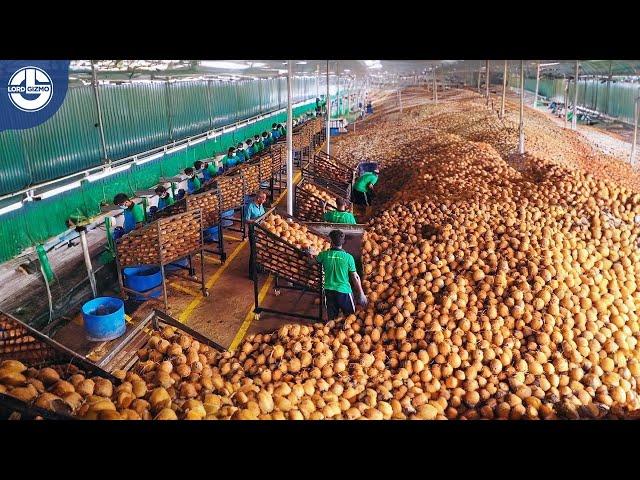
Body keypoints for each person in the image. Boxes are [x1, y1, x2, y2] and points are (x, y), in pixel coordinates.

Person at [314, 229, 367, 321]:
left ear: (331, 241)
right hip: (344, 292)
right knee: (350, 319)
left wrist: (308, 254)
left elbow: (312, 261)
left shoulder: (323, 255)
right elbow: (355, 277)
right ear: (343, 242)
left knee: (332, 320)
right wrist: (361, 293)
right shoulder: (348, 257)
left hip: (329, 291)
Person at [245, 191, 268, 277]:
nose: (265, 200)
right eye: (264, 199)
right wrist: (255, 220)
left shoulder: (260, 205)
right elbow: (246, 220)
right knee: (253, 252)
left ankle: (258, 268)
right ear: (258, 198)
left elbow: (263, 215)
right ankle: (251, 273)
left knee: (259, 250)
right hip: (253, 231)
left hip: (260, 231)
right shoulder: (250, 206)